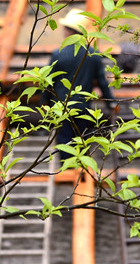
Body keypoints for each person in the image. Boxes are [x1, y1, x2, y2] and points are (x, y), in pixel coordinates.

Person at [46, 9, 115, 155]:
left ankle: (67, 172)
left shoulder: (58, 54)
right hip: (83, 108)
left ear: (68, 32)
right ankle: (80, 174)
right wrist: (111, 103)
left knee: (64, 144)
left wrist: (44, 105)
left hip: (61, 109)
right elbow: (102, 81)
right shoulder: (93, 55)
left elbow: (47, 82)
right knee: (81, 143)